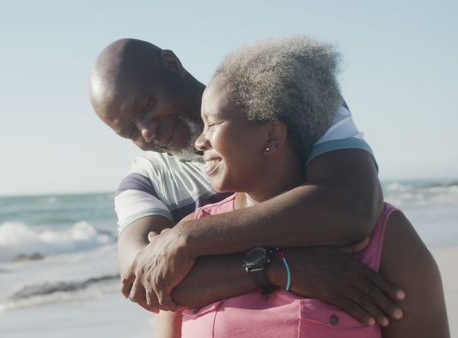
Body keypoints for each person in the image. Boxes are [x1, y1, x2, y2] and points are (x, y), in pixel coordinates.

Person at [89, 38, 404, 327]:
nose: (146, 131)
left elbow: (352, 205)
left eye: (146, 106)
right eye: (129, 131)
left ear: (173, 64)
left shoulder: (290, 93)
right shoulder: (145, 183)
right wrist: (279, 267)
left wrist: (189, 237)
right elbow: (144, 283)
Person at [156, 36, 448, 337]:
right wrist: (275, 268)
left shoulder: (385, 239)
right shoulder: (189, 236)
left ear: (272, 135)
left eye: (213, 124)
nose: (199, 141)